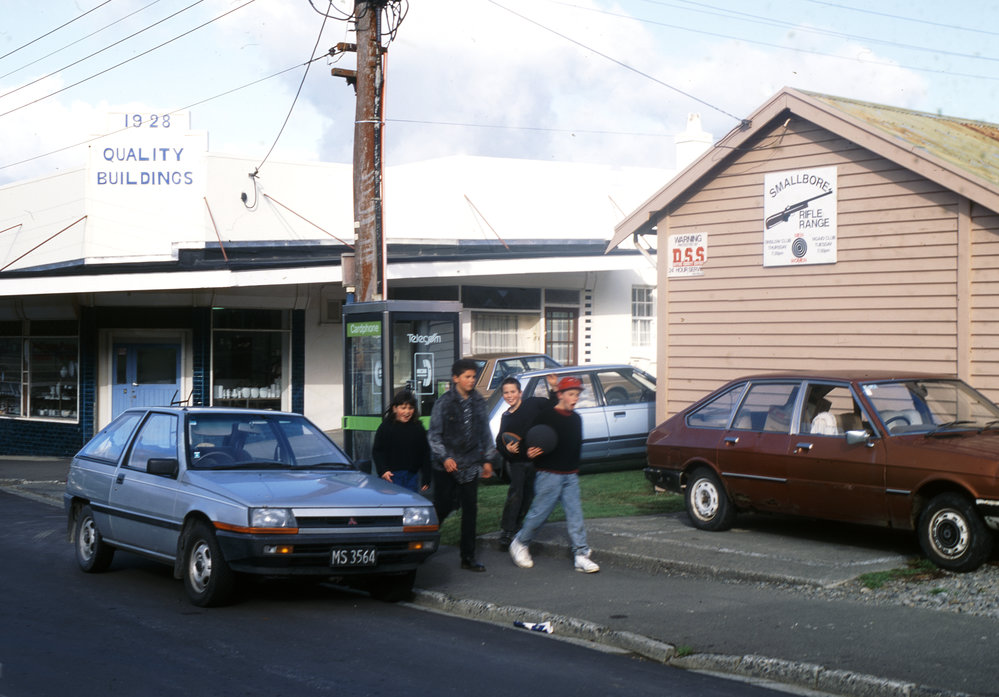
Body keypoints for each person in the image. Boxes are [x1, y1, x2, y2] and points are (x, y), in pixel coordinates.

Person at [508, 375, 599, 573]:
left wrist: (574, 470)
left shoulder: (576, 419)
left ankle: (581, 555)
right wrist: (528, 451)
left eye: (577, 395)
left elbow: (575, 446)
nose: (575, 398)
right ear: (560, 395)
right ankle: (520, 543)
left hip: (570, 475)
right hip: (548, 474)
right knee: (539, 514)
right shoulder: (546, 416)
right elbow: (525, 440)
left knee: (576, 515)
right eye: (570, 394)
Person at [428, 358, 498, 572]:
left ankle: (468, 557)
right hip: (446, 466)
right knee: (443, 507)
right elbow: (434, 436)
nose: (471, 380)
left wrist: (487, 460)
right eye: (467, 376)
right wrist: (445, 457)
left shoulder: (478, 401)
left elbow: (485, 434)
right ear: (455, 378)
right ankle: (421, 545)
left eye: (473, 376)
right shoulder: (444, 402)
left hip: (470, 465)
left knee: (470, 512)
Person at [495, 374, 558, 550]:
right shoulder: (506, 417)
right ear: (503, 395)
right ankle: (507, 531)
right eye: (506, 393)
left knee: (529, 496)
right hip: (518, 463)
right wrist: (506, 449)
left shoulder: (532, 404)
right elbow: (500, 440)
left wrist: (554, 388)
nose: (509, 396)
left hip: (536, 462)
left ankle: (519, 527)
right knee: (515, 495)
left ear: (520, 392)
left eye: (513, 392)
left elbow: (552, 407)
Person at [371, 389, 431, 493]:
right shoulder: (386, 427)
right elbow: (377, 451)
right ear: (395, 408)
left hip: (411, 476)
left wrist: (426, 477)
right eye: (403, 408)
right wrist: (383, 470)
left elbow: (425, 453)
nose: (407, 412)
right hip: (391, 476)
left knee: (410, 505)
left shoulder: (418, 427)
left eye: (410, 408)